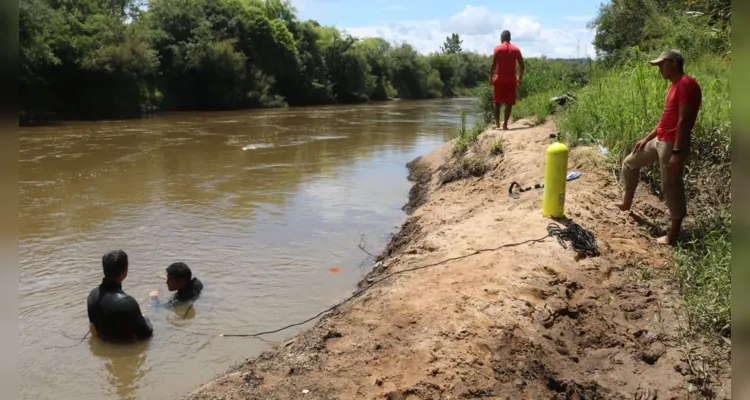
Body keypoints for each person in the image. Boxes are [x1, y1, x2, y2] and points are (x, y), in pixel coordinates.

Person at [615, 49, 702, 246]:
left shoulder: (686, 84)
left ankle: (672, 236)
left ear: (673, 63)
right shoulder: (674, 86)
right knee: (630, 162)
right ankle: (626, 203)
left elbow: (683, 121)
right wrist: (647, 138)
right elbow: (666, 117)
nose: (659, 69)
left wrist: (677, 153)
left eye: (661, 64)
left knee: (670, 185)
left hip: (672, 142)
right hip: (661, 139)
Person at [87, 250, 154, 342]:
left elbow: (93, 327)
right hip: (127, 348)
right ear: (124, 272)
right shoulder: (127, 303)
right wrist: (145, 318)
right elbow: (146, 333)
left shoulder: (92, 295)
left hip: (105, 341)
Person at [490, 30, 525, 130]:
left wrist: (491, 77)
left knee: (496, 102)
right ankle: (505, 124)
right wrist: (520, 78)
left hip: (499, 79)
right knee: (509, 103)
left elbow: (493, 65)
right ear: (510, 38)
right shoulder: (516, 49)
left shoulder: (498, 48)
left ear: (502, 37)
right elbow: (522, 66)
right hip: (511, 80)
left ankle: (497, 123)